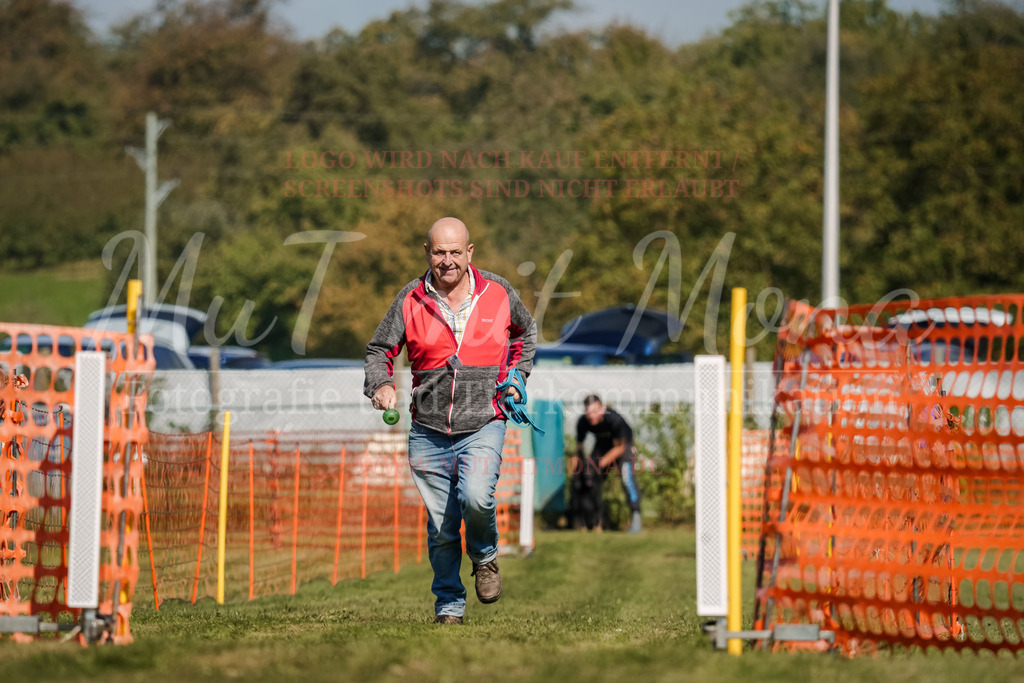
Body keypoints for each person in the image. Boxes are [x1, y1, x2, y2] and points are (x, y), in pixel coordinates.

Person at [364, 216, 537, 626]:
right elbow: (378, 350)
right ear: (427, 252)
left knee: (477, 498)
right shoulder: (410, 299)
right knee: (442, 527)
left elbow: (524, 334)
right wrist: (381, 384)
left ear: (469, 252)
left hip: (484, 422)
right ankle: (449, 606)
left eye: (455, 252)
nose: (447, 261)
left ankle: (485, 556)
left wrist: (516, 376)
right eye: (439, 252)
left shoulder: (497, 292)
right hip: (428, 431)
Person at [572, 395, 643, 533]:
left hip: (624, 446)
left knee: (626, 478)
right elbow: (579, 448)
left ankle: (636, 517)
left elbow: (619, 448)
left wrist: (598, 464)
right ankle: (590, 520)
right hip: (603, 445)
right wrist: (581, 467)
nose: (591, 416)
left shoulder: (614, 419)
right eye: (588, 412)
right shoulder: (583, 422)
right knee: (589, 479)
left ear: (601, 409)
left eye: (594, 411)